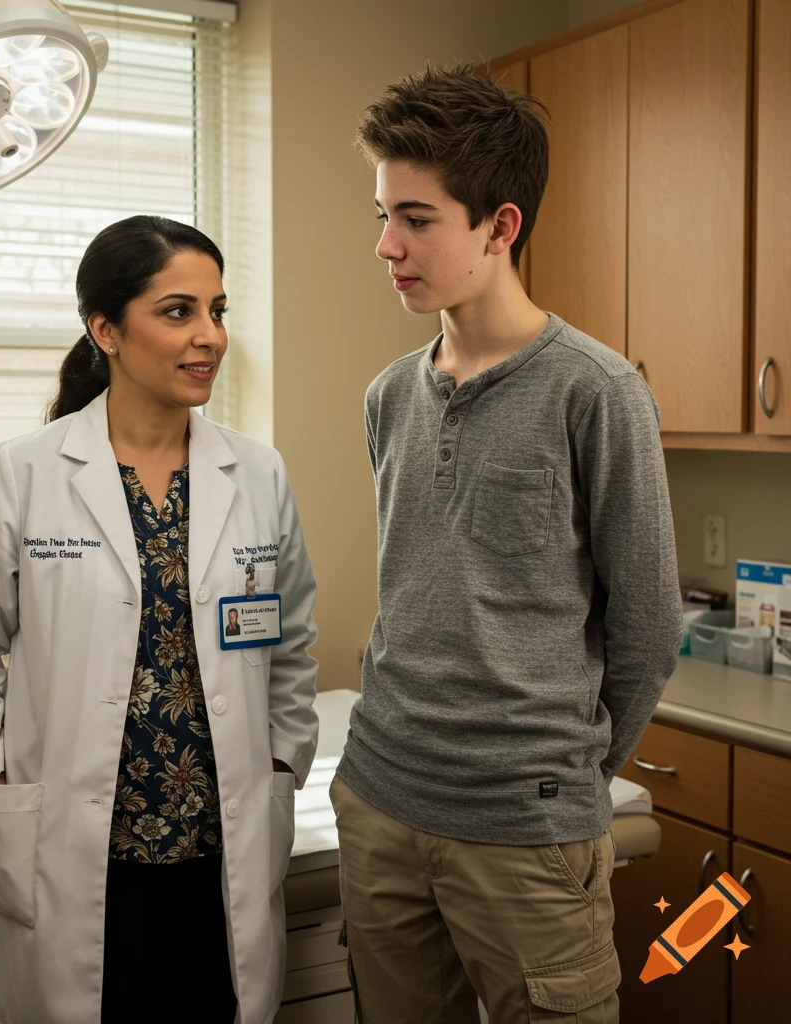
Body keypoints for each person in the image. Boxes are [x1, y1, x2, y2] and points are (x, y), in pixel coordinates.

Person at [331, 64, 684, 1023]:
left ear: (500, 226)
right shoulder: (389, 395)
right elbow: (418, 584)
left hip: (522, 831)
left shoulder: (595, 392)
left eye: (416, 218)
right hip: (379, 796)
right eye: (382, 215)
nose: (386, 245)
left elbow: (649, 628)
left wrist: (557, 778)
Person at [0, 215, 319, 1024]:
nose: (208, 335)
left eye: (217, 310)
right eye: (178, 311)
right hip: (79, 841)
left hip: (220, 846)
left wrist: (281, 765)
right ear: (105, 329)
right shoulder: (28, 472)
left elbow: (291, 647)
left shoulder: (257, 472)